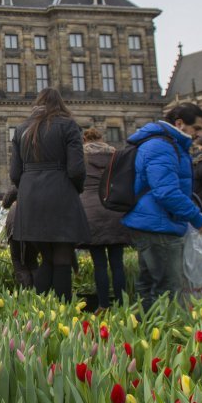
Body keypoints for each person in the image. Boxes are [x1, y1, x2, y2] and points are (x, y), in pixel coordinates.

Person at [121, 103, 202, 310]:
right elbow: (166, 192)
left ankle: (146, 332)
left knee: (149, 286)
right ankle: (169, 335)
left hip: (151, 220)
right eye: (197, 129)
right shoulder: (163, 146)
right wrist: (197, 218)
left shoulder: (161, 143)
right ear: (180, 123)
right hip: (160, 223)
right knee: (169, 288)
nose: (198, 135)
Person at [9, 89, 90, 300]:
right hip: (60, 194)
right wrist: (75, 189)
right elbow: (77, 170)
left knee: (46, 258)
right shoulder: (68, 125)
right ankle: (63, 311)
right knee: (62, 256)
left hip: (30, 199)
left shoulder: (21, 129)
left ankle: (41, 312)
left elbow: (15, 173)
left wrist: (27, 188)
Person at [79, 127, 130, 308]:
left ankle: (103, 305)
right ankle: (122, 305)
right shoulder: (116, 156)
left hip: (92, 213)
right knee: (117, 263)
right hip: (115, 210)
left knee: (99, 264)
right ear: (102, 139)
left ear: (84, 141)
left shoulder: (81, 158)